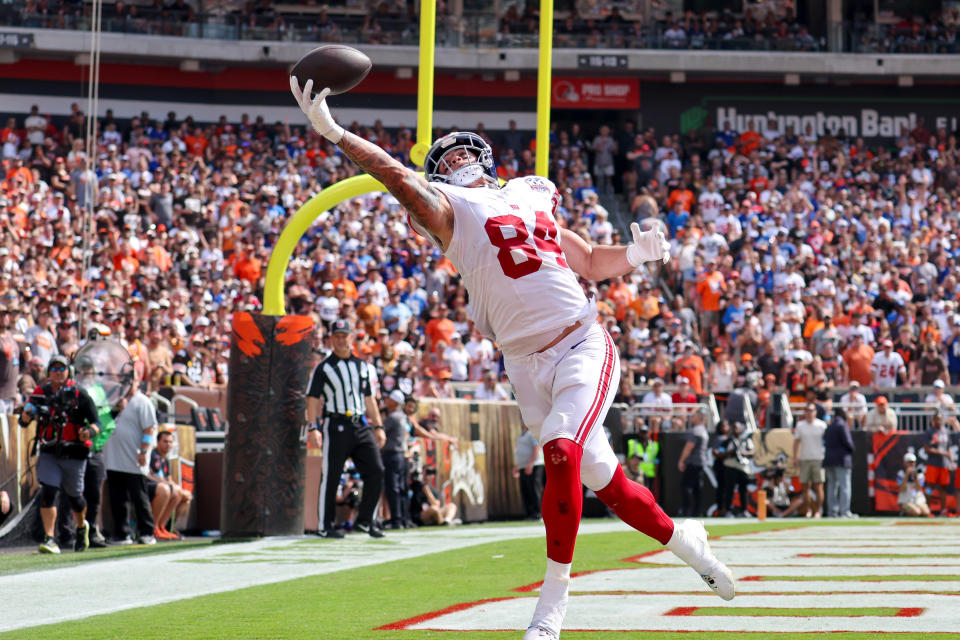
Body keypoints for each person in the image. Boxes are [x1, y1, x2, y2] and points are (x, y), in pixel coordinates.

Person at [291, 80, 734, 638]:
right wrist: (333, 131)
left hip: (580, 341)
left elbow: (592, 261)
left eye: (462, 151)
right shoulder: (449, 211)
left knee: (561, 451)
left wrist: (637, 255)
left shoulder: (531, 194)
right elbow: (396, 176)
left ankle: (549, 612)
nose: (455, 158)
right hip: (523, 362)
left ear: (485, 157)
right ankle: (686, 544)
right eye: (443, 158)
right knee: (605, 480)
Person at [306, 318, 386, 538]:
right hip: (336, 424)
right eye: (337, 336)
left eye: (344, 335)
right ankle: (325, 525)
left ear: (352, 337)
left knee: (376, 470)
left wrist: (378, 426)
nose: (341, 340)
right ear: (331, 339)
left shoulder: (363, 367)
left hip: (360, 424)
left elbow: (369, 398)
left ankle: (365, 520)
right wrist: (313, 428)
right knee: (331, 475)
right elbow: (312, 398)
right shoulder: (324, 368)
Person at [20, 355, 101, 554]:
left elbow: (97, 422)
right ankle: (49, 538)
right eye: (54, 368)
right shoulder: (41, 392)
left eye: (61, 368)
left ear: (69, 371)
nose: (58, 372)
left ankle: (82, 526)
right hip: (49, 450)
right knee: (49, 491)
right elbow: (26, 416)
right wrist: (25, 416)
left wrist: (88, 432)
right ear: (48, 372)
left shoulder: (80, 394)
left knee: (75, 497)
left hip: (74, 451)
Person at [102, 381, 158, 545]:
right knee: (118, 499)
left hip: (134, 458)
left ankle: (147, 532)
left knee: (139, 497)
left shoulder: (143, 402)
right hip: (114, 459)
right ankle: (122, 533)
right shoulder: (113, 399)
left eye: (129, 382)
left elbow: (149, 428)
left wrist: (144, 451)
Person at [147, 430, 192, 539]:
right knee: (168, 490)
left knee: (182, 495)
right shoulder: (153, 455)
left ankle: (163, 527)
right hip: (150, 487)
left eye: (170, 442)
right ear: (158, 442)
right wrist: (171, 485)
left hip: (162, 486)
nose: (168, 444)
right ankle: (153, 527)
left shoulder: (165, 459)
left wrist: (179, 489)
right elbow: (149, 474)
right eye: (165, 441)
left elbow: (169, 479)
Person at [380, 389, 412, 529]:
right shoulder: (404, 417)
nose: (387, 401)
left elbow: (380, 431)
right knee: (401, 487)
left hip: (392, 455)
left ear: (394, 402)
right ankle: (403, 518)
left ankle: (396, 520)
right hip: (401, 455)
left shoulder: (393, 417)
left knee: (392, 487)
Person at [793, 403, 826, 518]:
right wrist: (795, 457)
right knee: (805, 487)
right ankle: (808, 510)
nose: (809, 412)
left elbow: (826, 442)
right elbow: (796, 442)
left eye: (811, 410)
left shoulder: (821, 425)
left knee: (818, 486)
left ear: (815, 412)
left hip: (818, 459)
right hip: (804, 458)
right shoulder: (800, 425)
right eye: (807, 410)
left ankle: (818, 510)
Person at [823, 408, 856, 518]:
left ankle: (832, 512)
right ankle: (844, 511)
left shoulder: (830, 426)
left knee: (832, 486)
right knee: (844, 486)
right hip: (842, 460)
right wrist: (852, 449)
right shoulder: (842, 425)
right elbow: (848, 442)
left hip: (829, 460)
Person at [677, 407, 709, 517]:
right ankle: (697, 511)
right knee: (697, 488)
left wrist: (681, 460)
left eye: (693, 416)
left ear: (699, 418)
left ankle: (686, 510)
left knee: (686, 486)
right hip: (700, 462)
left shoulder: (696, 430)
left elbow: (689, 447)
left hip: (693, 463)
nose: (691, 418)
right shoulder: (703, 430)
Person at [923, 411, 956, 516]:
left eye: (940, 419)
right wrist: (940, 452)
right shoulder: (929, 432)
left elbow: (948, 448)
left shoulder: (946, 432)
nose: (939, 421)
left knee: (943, 488)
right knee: (929, 487)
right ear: (933, 420)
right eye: (937, 419)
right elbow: (926, 448)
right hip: (933, 463)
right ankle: (928, 510)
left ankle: (943, 510)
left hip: (944, 464)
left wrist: (951, 462)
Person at [513, 423, 545, 520]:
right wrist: (517, 466)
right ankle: (530, 514)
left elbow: (536, 448)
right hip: (523, 466)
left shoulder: (533, 434)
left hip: (534, 465)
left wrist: (530, 464)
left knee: (534, 490)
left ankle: (538, 514)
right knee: (526, 490)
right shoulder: (522, 435)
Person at [897, 452, 931, 517]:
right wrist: (906, 475)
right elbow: (901, 489)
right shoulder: (901, 474)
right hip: (906, 500)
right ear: (905, 463)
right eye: (909, 462)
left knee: (926, 513)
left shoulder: (919, 474)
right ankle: (904, 512)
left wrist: (915, 477)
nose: (911, 464)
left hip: (918, 499)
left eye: (913, 462)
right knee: (916, 512)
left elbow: (919, 489)